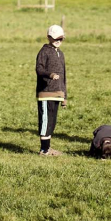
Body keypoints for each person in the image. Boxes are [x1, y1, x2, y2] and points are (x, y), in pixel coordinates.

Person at [36, 24, 67, 156]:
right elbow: (39, 69)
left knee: (52, 122)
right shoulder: (44, 51)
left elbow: (64, 76)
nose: (58, 41)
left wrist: (64, 96)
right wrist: (50, 75)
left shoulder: (60, 53)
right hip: (46, 93)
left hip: (57, 94)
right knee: (45, 121)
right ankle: (44, 150)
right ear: (49, 37)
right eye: (55, 39)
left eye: (60, 39)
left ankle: (48, 148)